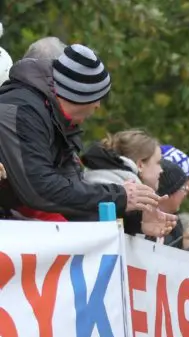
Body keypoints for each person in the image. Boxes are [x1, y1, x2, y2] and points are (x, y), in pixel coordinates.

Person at [0, 44, 164, 224]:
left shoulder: (58, 121)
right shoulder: (22, 110)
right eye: (97, 98)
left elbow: (73, 196)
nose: (98, 106)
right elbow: (39, 190)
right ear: (82, 97)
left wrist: (138, 221)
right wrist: (120, 197)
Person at [81, 129, 175, 237]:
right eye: (158, 162)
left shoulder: (94, 183)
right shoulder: (112, 192)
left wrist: (139, 224)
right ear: (140, 165)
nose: (161, 170)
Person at [155, 160, 189, 246]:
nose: (185, 193)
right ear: (169, 192)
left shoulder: (176, 226)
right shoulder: (139, 220)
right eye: (183, 188)